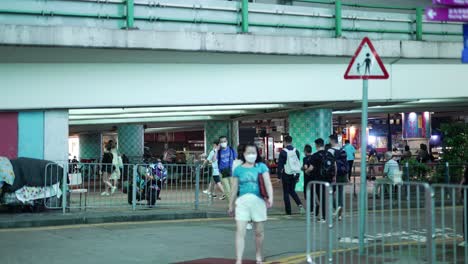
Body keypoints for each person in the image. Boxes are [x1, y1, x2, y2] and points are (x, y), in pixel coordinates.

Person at [229, 144, 274, 264]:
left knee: (259, 232)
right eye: (248, 152)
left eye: (254, 152)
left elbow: (268, 183)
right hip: (242, 202)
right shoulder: (238, 169)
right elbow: (234, 189)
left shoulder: (261, 167)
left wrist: (271, 198)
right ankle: (238, 260)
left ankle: (259, 255)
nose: (251, 155)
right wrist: (230, 205)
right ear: (243, 154)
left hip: (258, 202)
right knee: (240, 231)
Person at [277, 135, 304, 215]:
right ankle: (300, 206)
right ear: (291, 141)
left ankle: (288, 211)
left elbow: (280, 165)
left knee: (286, 192)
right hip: (295, 174)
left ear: (284, 142)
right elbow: (297, 164)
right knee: (292, 190)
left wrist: (279, 176)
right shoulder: (296, 151)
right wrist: (298, 176)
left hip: (287, 174)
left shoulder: (283, 152)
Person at [328, 134, 347, 220]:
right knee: (340, 194)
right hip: (343, 174)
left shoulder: (330, 150)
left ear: (332, 140)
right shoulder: (342, 149)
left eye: (329, 140)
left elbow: (332, 164)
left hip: (334, 176)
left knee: (330, 193)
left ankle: (336, 208)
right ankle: (339, 215)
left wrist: (333, 176)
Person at [218, 136, 237, 203]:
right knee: (227, 189)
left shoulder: (231, 149)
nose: (223, 143)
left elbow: (235, 159)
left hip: (231, 170)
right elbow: (214, 159)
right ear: (219, 143)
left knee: (233, 188)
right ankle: (231, 204)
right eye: (221, 141)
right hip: (223, 171)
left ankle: (234, 202)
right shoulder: (219, 151)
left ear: (227, 141)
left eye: (224, 141)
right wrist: (216, 150)